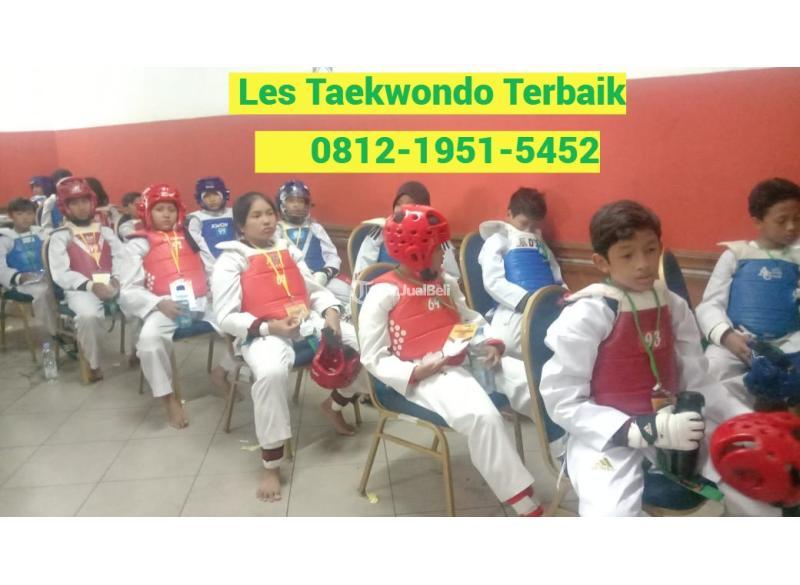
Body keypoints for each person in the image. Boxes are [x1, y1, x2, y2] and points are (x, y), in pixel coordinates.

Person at [357, 204, 543, 516]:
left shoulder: (445, 282)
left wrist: (490, 342)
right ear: (416, 252)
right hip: (426, 373)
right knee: (484, 418)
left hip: (464, 355)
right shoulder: (383, 293)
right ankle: (524, 503)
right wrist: (416, 371)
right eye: (437, 248)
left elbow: (469, 318)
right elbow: (373, 356)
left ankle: (566, 457)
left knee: (532, 383)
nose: (444, 255)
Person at [539, 200, 718, 516]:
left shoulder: (671, 305)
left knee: (746, 471)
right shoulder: (588, 313)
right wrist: (635, 430)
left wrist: (704, 417)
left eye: (650, 250)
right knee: (612, 515)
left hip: (672, 424)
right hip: (605, 436)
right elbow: (562, 399)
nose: (643, 264)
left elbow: (695, 374)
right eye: (627, 255)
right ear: (602, 262)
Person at [212, 192, 361, 502]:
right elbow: (225, 316)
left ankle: (334, 405)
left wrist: (331, 312)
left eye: (269, 213)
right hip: (263, 332)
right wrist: (271, 327)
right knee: (270, 373)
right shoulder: (230, 260)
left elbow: (313, 290)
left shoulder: (287, 249)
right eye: (256, 216)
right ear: (241, 225)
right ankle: (271, 463)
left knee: (360, 345)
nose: (266, 220)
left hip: (304, 322)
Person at [695, 177, 800, 515]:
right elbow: (709, 305)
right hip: (736, 339)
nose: (791, 227)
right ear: (757, 220)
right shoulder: (735, 255)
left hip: (787, 342)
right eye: (782, 219)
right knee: (711, 380)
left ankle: (788, 465)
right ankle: (728, 460)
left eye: (797, 219)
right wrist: (727, 336)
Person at [119, 183, 232, 428]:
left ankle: (221, 372)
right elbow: (127, 289)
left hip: (202, 301)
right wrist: (158, 303)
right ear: (148, 211)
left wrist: (218, 293)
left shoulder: (191, 236)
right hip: (165, 306)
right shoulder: (138, 244)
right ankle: (168, 398)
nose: (166, 215)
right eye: (160, 209)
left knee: (245, 326)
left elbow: (211, 267)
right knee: (148, 342)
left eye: (171, 209)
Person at [47, 177, 127, 382]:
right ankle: (94, 363)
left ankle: (138, 351)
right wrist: (91, 285)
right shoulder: (60, 236)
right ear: (65, 207)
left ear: (92, 202)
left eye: (84, 201)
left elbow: (121, 257)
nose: (81, 207)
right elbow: (60, 273)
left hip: (112, 282)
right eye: (74, 203)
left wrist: (117, 279)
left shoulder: (105, 231)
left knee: (141, 303)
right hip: (81, 289)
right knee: (88, 316)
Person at [478, 187, 564, 357]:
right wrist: (525, 301)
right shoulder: (498, 240)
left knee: (557, 344)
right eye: (524, 224)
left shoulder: (540, 244)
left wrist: (563, 296)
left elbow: (555, 273)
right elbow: (493, 281)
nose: (528, 231)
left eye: (534, 226)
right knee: (509, 347)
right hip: (513, 309)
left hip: (545, 308)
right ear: (509, 214)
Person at [352, 181, 460, 279]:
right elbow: (361, 273)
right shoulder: (380, 232)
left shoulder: (437, 235)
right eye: (398, 204)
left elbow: (453, 277)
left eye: (410, 204)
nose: (402, 209)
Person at [275, 180, 352, 308]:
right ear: (282, 204)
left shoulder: (316, 228)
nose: (297, 205)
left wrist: (325, 273)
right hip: (290, 281)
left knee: (349, 293)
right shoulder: (276, 230)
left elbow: (332, 256)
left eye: (301, 201)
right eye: (291, 201)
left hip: (320, 278)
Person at [0, 197, 56, 338]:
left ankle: (67, 328)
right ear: (11, 216)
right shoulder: (5, 239)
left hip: (45, 278)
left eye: (29, 213)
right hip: (20, 284)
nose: (25, 218)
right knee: (44, 294)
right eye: (20, 214)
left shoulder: (41, 234)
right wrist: (18, 277)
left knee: (64, 290)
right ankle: (54, 333)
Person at [186, 176, 236, 275]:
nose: (212, 199)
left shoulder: (234, 213)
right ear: (200, 199)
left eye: (215, 194)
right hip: (210, 268)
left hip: (236, 263)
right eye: (207, 196)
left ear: (224, 195)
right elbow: (198, 245)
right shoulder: (196, 218)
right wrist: (211, 267)